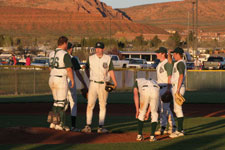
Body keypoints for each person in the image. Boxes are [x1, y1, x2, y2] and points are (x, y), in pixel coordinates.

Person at [81, 42, 117, 133]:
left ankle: (101, 127)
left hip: (103, 84)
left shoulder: (108, 58)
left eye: (99, 48)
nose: (97, 50)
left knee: (103, 105)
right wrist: (89, 77)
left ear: (103, 49)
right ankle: (88, 126)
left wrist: (115, 82)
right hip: (93, 84)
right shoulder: (91, 58)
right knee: (90, 105)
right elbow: (86, 68)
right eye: (96, 48)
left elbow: (111, 70)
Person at [48, 36, 74, 131]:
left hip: (52, 78)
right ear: (64, 43)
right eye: (66, 43)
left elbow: (50, 67)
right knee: (63, 103)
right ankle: (60, 124)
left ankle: (52, 123)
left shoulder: (51, 53)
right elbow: (68, 69)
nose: (67, 45)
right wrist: (72, 80)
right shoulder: (64, 54)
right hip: (60, 78)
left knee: (56, 102)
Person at [66, 42, 88, 132]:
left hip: (60, 83)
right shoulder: (73, 59)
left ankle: (58, 124)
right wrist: (84, 84)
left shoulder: (59, 58)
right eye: (71, 48)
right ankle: (73, 126)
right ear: (69, 49)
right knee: (73, 103)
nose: (72, 50)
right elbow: (78, 73)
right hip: (71, 83)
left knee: (61, 104)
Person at [155, 47, 176, 135]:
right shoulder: (160, 64)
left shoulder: (167, 63)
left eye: (158, 53)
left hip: (166, 87)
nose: (156, 54)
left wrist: (168, 88)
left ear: (163, 54)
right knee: (162, 109)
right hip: (160, 88)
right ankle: (163, 127)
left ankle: (173, 126)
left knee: (166, 108)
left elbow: (170, 76)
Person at [168, 47, 186, 138]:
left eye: (174, 54)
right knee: (176, 109)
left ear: (178, 54)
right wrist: (169, 53)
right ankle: (180, 130)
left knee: (178, 109)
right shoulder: (178, 63)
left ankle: (180, 131)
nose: (173, 55)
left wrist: (178, 90)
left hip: (178, 87)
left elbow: (181, 75)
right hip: (176, 87)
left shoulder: (180, 63)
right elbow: (170, 61)